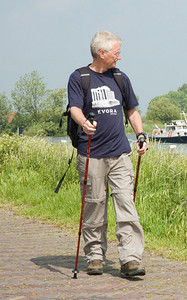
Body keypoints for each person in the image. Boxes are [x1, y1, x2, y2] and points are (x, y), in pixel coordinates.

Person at [67, 31, 147, 277]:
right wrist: (84, 123)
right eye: (116, 53)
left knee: (126, 204)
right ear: (102, 53)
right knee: (94, 206)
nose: (119, 57)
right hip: (91, 154)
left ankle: (130, 259)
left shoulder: (120, 78)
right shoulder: (79, 77)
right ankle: (94, 256)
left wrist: (141, 135)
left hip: (120, 153)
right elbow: (74, 109)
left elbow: (131, 110)